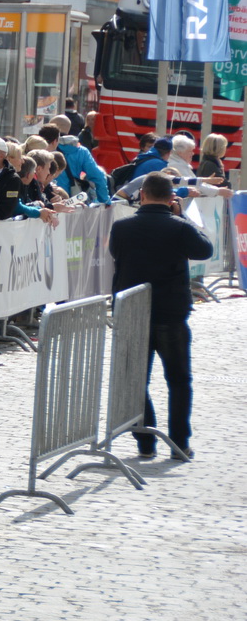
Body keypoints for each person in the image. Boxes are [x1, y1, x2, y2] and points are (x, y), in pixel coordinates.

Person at [109, 174, 211, 460]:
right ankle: (179, 443)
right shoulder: (179, 227)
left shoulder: (122, 226)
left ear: (141, 195)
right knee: (178, 381)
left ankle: (145, 439)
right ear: (170, 199)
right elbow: (205, 249)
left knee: (134, 382)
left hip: (133, 314)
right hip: (170, 314)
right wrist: (183, 218)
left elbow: (116, 254)